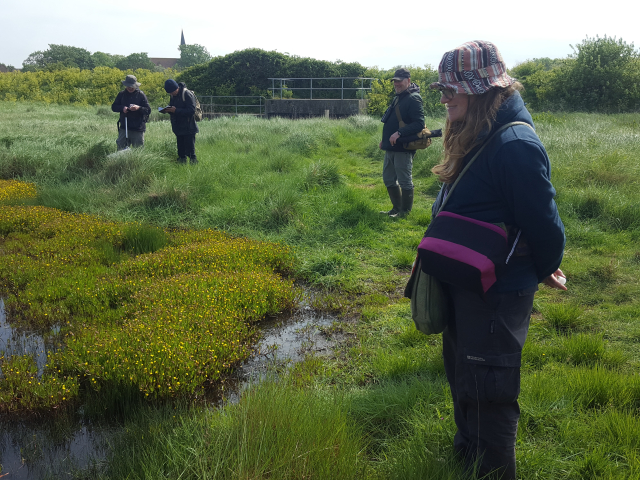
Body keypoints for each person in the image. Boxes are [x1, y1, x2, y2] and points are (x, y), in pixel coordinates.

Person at [427, 41, 566, 479]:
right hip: (466, 281)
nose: (444, 97)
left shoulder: (514, 143)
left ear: (485, 90)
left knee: (491, 390)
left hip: (497, 291)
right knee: (464, 378)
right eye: (443, 89)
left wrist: (546, 266)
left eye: (454, 89)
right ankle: (466, 460)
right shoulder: (477, 129)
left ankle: (493, 472)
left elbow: (543, 222)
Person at [379, 68, 425, 217]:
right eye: (395, 81)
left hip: (403, 147)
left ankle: (404, 212)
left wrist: (399, 133)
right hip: (391, 147)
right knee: (388, 179)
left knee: (405, 181)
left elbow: (419, 123)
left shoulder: (414, 98)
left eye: (400, 81)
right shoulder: (398, 97)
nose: (396, 84)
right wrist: (384, 140)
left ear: (408, 81)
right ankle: (396, 209)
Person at [162, 79, 199, 164]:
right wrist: (167, 110)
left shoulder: (187, 94)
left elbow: (191, 111)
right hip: (178, 127)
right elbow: (173, 107)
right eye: (170, 93)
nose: (171, 94)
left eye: (173, 91)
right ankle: (181, 165)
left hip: (189, 127)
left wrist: (176, 110)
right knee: (181, 151)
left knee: (191, 151)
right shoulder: (172, 95)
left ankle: (194, 165)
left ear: (177, 88)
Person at [111, 75, 151, 150]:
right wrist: (122, 108)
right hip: (124, 127)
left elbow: (148, 110)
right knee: (121, 149)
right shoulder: (121, 94)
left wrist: (138, 108)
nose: (130, 88)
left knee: (138, 150)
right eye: (128, 86)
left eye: (132, 86)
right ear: (125, 85)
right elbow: (114, 107)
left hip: (138, 128)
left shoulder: (141, 95)